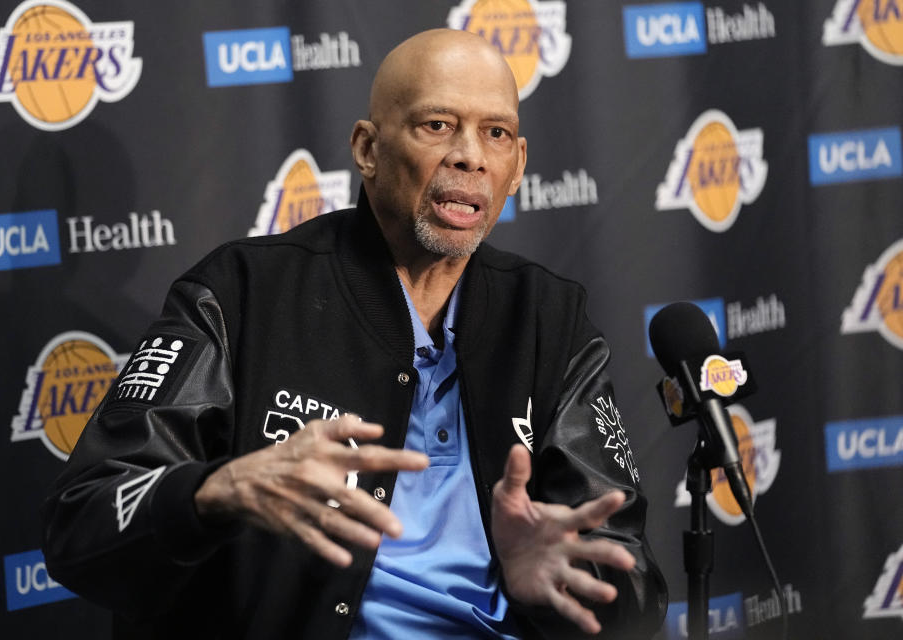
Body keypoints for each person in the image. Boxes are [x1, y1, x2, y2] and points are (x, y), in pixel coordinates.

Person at [42, 28, 667, 639]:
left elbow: (634, 583)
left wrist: (562, 585)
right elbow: (83, 524)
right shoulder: (240, 291)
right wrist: (213, 492)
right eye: (437, 125)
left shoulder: (548, 318)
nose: (471, 156)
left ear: (518, 164)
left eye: (495, 133)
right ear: (367, 149)